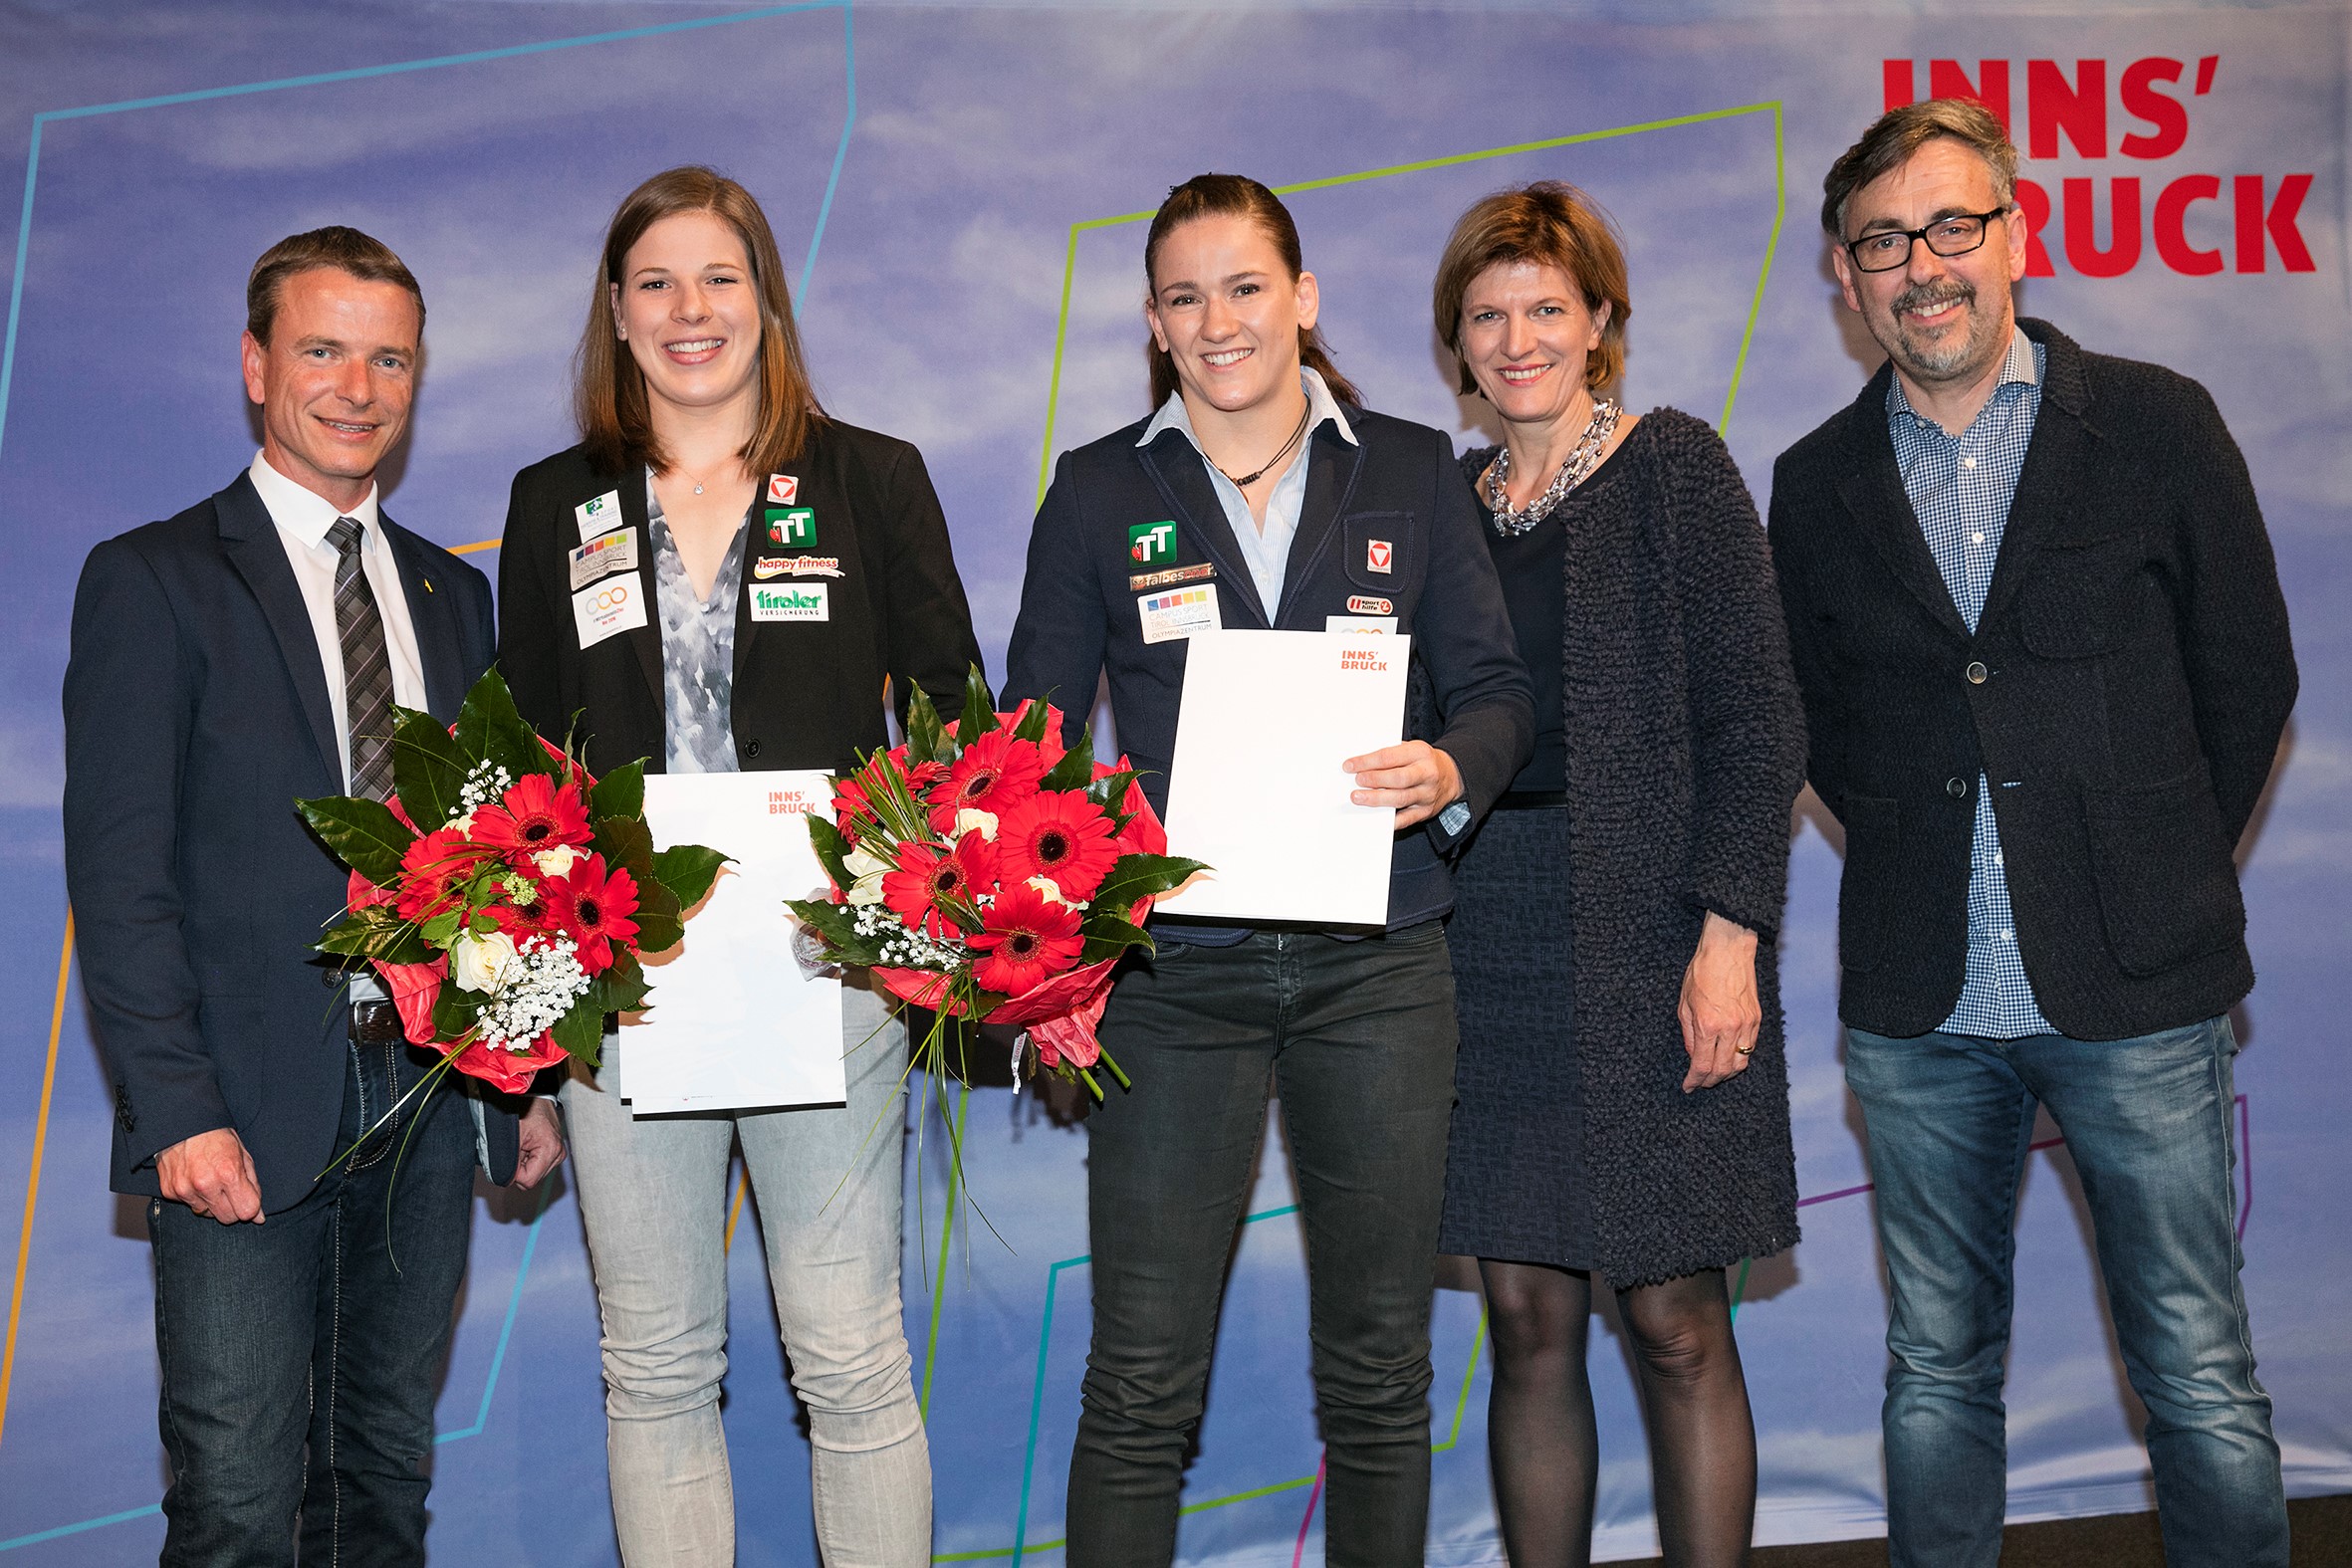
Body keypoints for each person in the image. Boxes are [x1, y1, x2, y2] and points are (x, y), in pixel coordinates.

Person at [1769, 101, 2297, 1568]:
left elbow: (2246, 672)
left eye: (1951, 226)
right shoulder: (1811, 484)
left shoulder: (2155, 422)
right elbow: (1806, 717)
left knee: (2195, 1375)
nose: (1920, 266)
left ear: (2014, 235)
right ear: (1844, 274)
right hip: (1915, 1003)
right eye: (1882, 242)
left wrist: (2162, 859)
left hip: (2140, 982)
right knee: (1933, 1376)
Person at [1005, 172, 1533, 1567]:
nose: (1217, 319)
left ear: (1301, 298)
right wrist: (1064, 910)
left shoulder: (1416, 469)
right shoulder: (1100, 487)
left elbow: (1494, 694)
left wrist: (1448, 772)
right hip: (1172, 984)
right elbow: (1030, 745)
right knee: (1138, 1386)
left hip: (1380, 974)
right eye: (1184, 295)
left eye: (1244, 286)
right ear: (1153, 324)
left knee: (1377, 1379)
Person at [62, 227, 565, 1565]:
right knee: (235, 1505)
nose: (357, 384)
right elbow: (119, 875)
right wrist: (175, 1108)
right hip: (235, 1110)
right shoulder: (153, 578)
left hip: (423, 1098)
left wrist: (521, 1072)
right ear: (254, 364)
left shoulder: (458, 598)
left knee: (380, 1488)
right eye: (324, 349)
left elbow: (502, 859)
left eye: (389, 356)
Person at [498, 165, 977, 1567]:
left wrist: (921, 921)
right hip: (622, 983)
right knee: (653, 1370)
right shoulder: (553, 503)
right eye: (655, 282)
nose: (688, 309)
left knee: (847, 1360)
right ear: (614, 310)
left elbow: (949, 715)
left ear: (766, 298)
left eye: (718, 277)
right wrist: (524, 1031)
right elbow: (523, 762)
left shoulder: (870, 477)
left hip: (823, 969)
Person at [1430, 182, 1806, 1567]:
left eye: (1545, 307)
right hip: (1479, 938)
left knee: (1671, 1319)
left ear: (1599, 323)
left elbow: (1757, 719)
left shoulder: (1676, 469)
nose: (1516, 337)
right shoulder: (1438, 504)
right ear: (1454, 342)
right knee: (1524, 1322)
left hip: (1652, 931)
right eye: (1486, 314)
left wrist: (1729, 938)